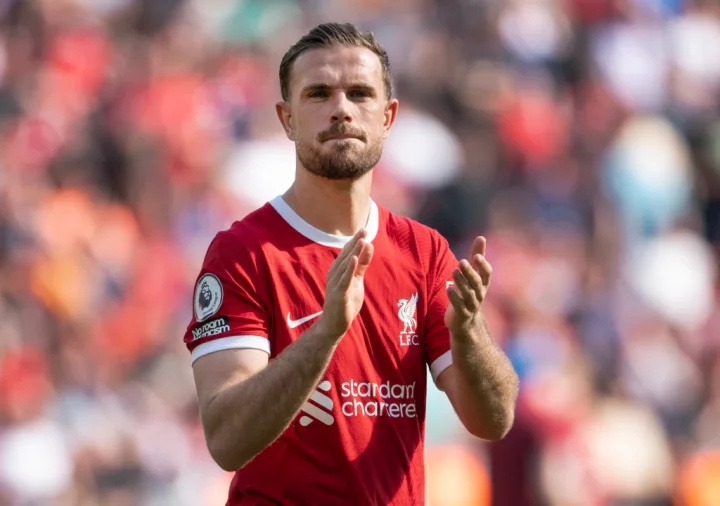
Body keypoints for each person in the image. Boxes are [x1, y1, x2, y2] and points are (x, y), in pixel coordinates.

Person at [185, 22, 519, 506]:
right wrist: (325, 334)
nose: (341, 109)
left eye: (360, 94)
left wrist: (469, 335)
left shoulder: (423, 253)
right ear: (287, 118)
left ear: (387, 117)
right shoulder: (243, 253)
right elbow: (226, 440)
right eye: (319, 93)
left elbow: (493, 420)